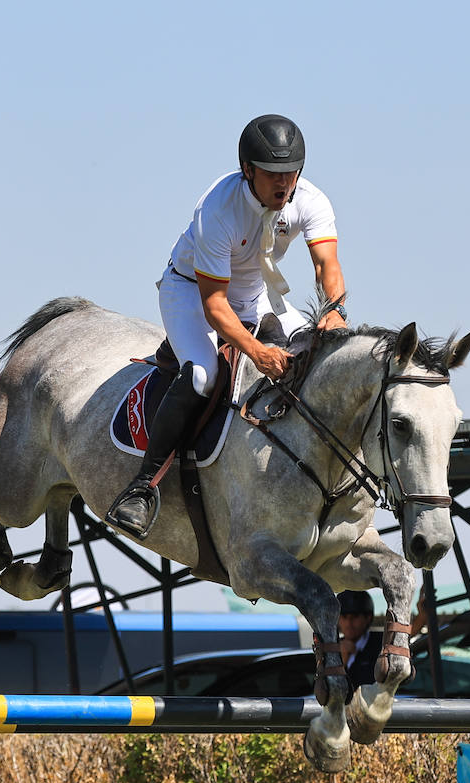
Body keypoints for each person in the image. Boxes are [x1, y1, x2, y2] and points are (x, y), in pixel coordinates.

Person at [105, 114, 348, 539]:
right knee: (203, 374)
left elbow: (327, 263)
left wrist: (334, 309)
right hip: (191, 294)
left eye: (290, 173)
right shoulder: (218, 209)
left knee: (322, 352)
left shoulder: (311, 200)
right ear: (248, 170)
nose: (283, 184)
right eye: (272, 174)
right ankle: (141, 488)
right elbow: (215, 306)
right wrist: (258, 352)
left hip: (256, 295)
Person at [337, 589, 380, 689]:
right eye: (344, 617)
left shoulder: (382, 643)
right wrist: (341, 662)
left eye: (355, 616)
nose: (348, 623)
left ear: (368, 617)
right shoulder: (331, 648)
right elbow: (319, 692)